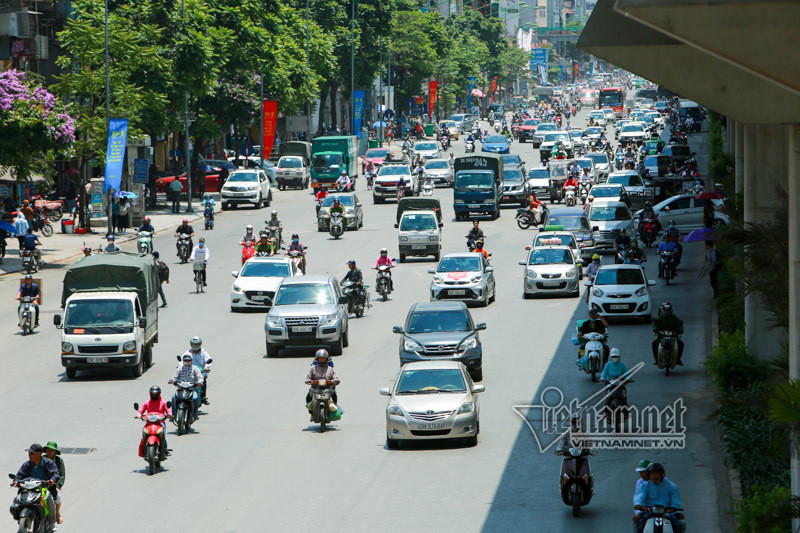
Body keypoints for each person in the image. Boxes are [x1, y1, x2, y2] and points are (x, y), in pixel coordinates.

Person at [13, 444, 59, 533]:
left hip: (43, 489)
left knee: (50, 500)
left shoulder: (48, 463)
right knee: (16, 501)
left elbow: (56, 474)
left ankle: (52, 523)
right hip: (28, 489)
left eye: (31, 453)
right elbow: (19, 475)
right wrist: (16, 481)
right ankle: (21, 522)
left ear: (39, 453)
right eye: (29, 453)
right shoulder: (27, 464)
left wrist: (52, 480)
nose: (29, 455)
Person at [633, 463, 684, 533]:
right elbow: (639, 495)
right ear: (649, 475)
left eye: (656, 474)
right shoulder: (645, 486)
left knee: (678, 525)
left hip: (667, 512)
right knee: (640, 524)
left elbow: (676, 502)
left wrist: (667, 514)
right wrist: (638, 504)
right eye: (652, 474)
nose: (654, 476)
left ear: (661, 474)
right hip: (650, 511)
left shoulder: (671, 486)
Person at [137, 386, 172, 458]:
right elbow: (140, 411)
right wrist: (139, 415)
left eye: (156, 394)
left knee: (162, 436)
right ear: (150, 394)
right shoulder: (147, 403)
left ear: (159, 394)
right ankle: (144, 449)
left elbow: (168, 410)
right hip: (149, 423)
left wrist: (169, 415)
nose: (154, 395)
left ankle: (164, 449)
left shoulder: (163, 403)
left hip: (160, 423)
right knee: (144, 434)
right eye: (152, 394)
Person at [305, 349, 340, 420]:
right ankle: (311, 413)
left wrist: (334, 381)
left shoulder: (330, 369)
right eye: (320, 358)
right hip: (315, 389)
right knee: (308, 397)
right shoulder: (312, 368)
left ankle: (334, 410)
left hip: (328, 389)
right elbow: (307, 379)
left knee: (334, 395)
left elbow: (336, 378)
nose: (321, 359)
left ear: (326, 358)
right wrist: (309, 381)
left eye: (323, 358)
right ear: (317, 358)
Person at [169, 354, 204, 421]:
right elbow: (174, 376)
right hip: (181, 389)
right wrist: (172, 381)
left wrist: (199, 383)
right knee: (173, 398)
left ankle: (195, 414)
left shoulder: (195, 368)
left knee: (195, 398)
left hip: (192, 389)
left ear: (191, 361)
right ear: (183, 361)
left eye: (189, 360)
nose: (187, 362)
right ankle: (173, 415)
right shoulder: (179, 369)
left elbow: (200, 377)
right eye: (185, 360)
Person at [184, 336, 212, 405]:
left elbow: (208, 360)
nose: (195, 346)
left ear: (200, 344)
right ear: (191, 344)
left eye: (197, 344)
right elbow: (182, 361)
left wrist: (207, 367)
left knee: (203, 381)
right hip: (190, 373)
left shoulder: (204, 352)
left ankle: (203, 397)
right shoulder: (188, 352)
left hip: (201, 373)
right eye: (194, 344)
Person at [42, 442, 65, 526]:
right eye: (48, 450)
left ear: (55, 452)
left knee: (57, 497)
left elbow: (62, 475)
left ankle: (57, 514)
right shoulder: (42, 459)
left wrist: (58, 486)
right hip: (42, 482)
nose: (49, 452)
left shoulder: (59, 461)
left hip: (53, 483)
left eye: (52, 450)